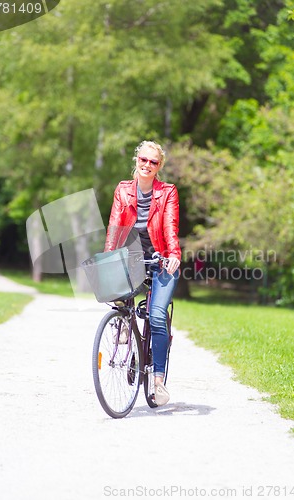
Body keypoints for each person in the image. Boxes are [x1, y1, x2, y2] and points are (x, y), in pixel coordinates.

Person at [104, 140, 181, 405]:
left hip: (161, 260)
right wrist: (108, 258)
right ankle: (125, 327)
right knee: (114, 290)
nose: (147, 165)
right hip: (133, 258)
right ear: (136, 160)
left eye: (153, 162)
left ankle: (158, 382)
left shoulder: (168, 192)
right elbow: (115, 227)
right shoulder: (123, 190)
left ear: (159, 167)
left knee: (157, 316)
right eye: (143, 160)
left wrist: (173, 256)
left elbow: (170, 226)